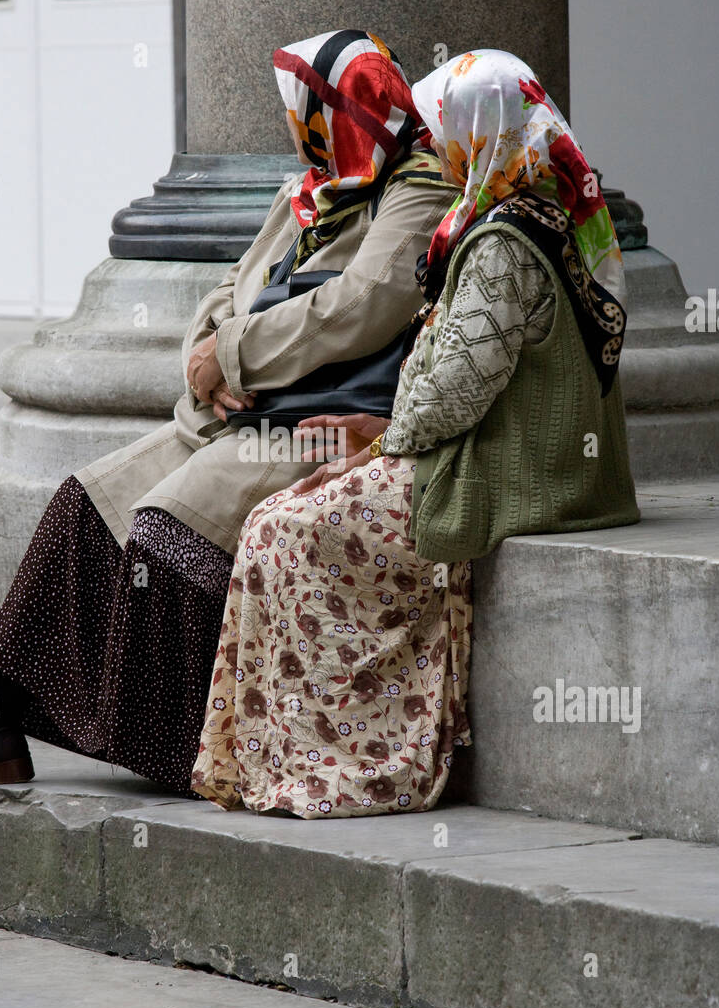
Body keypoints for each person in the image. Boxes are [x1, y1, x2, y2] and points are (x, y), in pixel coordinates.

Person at [0, 29, 456, 793]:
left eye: (306, 108)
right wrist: (202, 359)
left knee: (165, 527)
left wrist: (236, 356)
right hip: (235, 414)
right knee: (86, 504)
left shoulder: (416, 189)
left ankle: (185, 753)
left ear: (340, 110)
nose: (295, 125)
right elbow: (230, 287)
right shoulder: (312, 187)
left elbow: (361, 308)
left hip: (316, 425)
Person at [191, 48, 640, 819]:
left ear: (480, 132)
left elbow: (448, 396)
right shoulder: (526, 206)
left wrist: (377, 436)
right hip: (498, 444)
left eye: (446, 132)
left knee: (282, 529)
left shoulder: (504, 241)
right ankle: (284, 757)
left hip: (517, 467)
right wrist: (382, 427)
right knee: (277, 521)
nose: (433, 147)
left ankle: (350, 762)